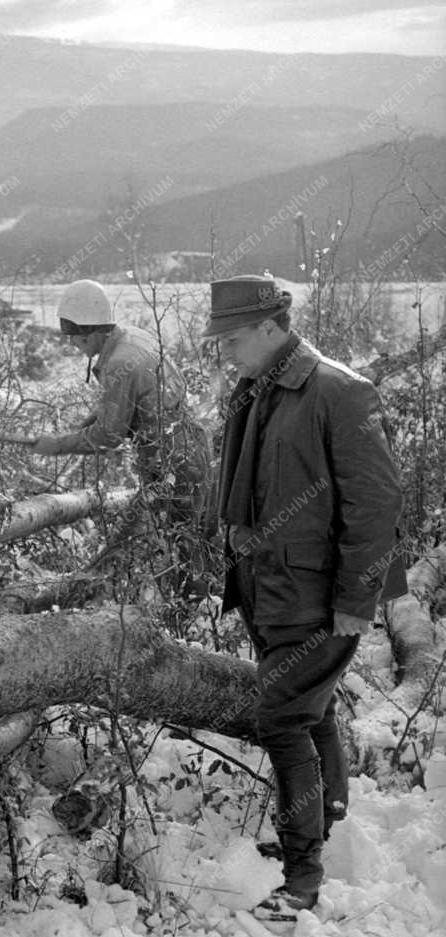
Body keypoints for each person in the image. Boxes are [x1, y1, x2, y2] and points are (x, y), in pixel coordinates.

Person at [205, 275, 407, 921]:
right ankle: (330, 817)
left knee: (282, 719)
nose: (225, 352)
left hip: (318, 597)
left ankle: (301, 880)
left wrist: (356, 597)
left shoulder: (340, 392)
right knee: (310, 710)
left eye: (232, 338)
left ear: (271, 326)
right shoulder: (258, 388)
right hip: (273, 589)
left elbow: (376, 504)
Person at [32, 280, 212, 592]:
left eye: (77, 338)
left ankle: (193, 619)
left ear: (92, 330)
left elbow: (107, 437)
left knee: (182, 545)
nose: (75, 345)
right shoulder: (131, 337)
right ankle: (193, 610)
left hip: (171, 463)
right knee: (188, 539)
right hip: (189, 445)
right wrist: (95, 418)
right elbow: (144, 399)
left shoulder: (118, 363)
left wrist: (58, 445)